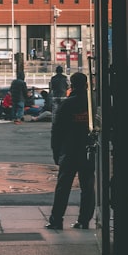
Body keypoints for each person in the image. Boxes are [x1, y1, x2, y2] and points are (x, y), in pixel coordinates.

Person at [46, 71, 96, 230]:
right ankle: (84, 220)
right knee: (87, 188)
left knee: (63, 187)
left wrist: (56, 152)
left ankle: (57, 219)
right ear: (87, 85)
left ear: (71, 85)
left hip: (69, 151)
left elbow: (57, 131)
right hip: (88, 151)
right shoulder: (93, 103)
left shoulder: (67, 104)